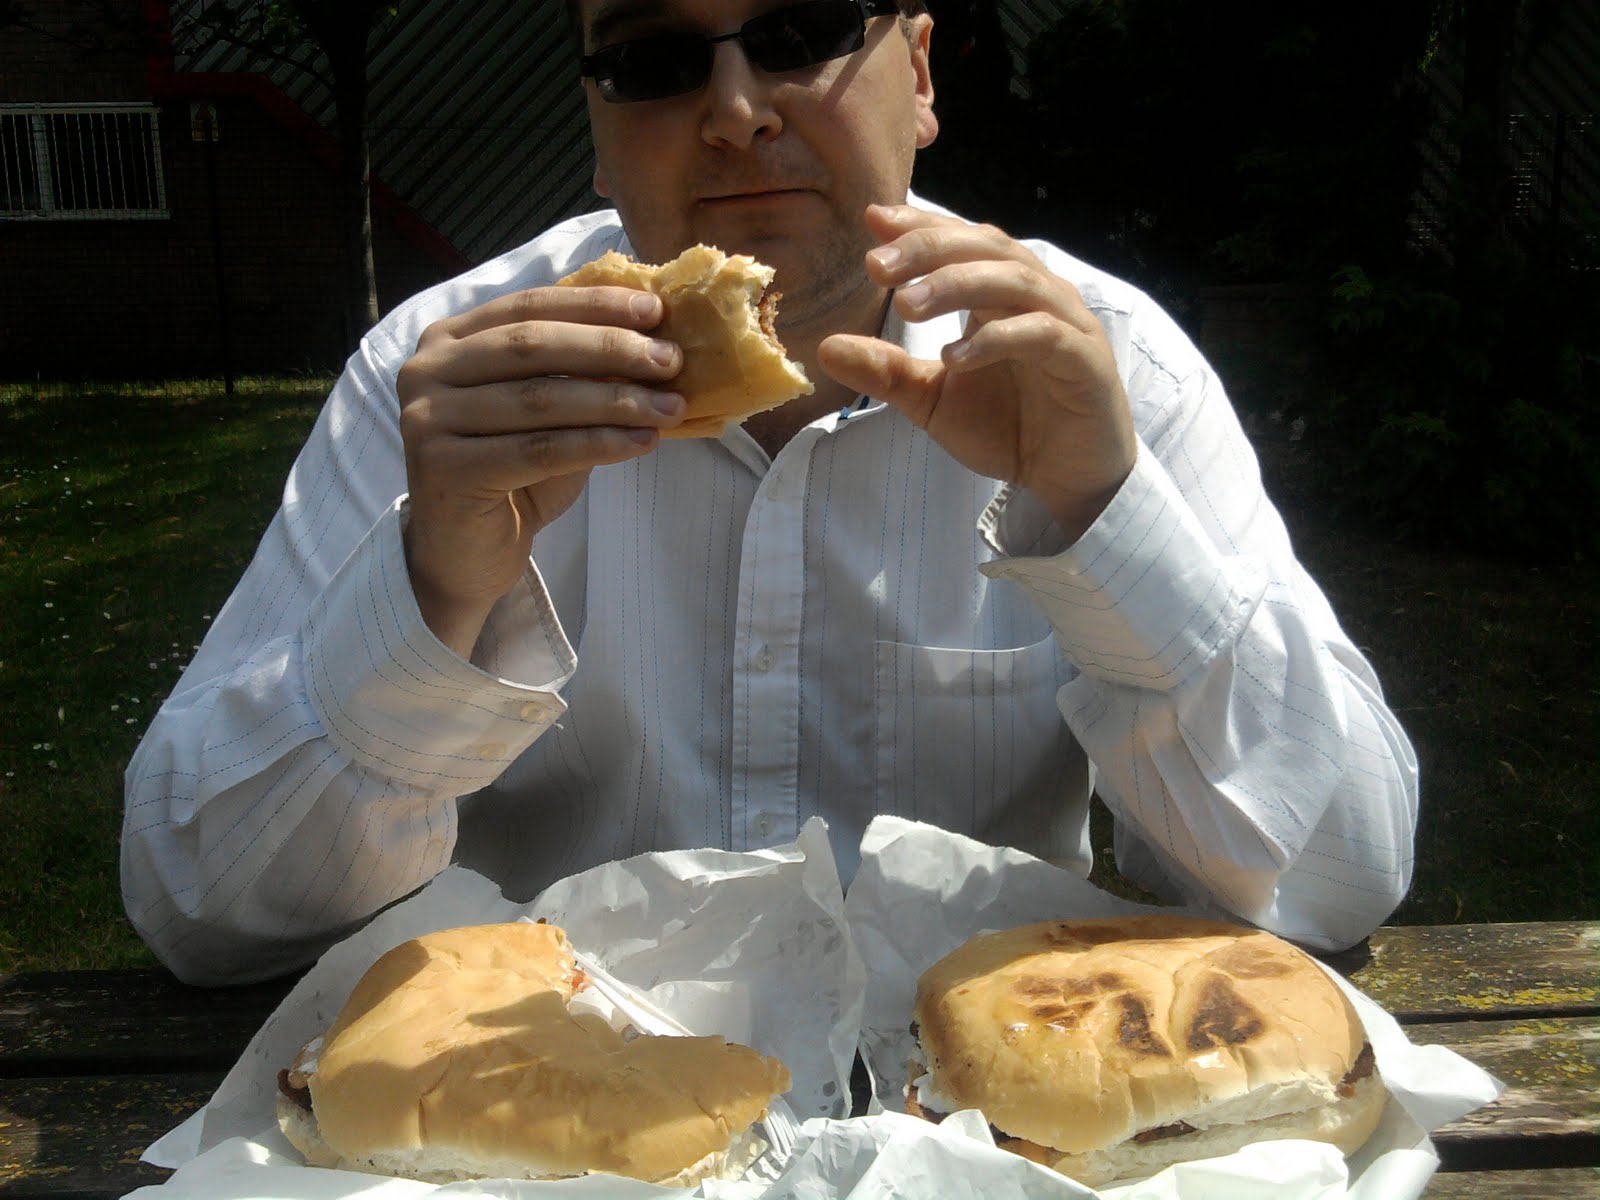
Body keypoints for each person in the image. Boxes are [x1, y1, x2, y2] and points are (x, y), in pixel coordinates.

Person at [122, 0, 1418, 986]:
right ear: (598, 129)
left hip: (972, 1111)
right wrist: (435, 590)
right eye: (653, 58)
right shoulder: (452, 381)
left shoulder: (1098, 363)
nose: (735, 108)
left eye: (798, 33)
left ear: (917, 76)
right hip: (546, 1102)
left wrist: (1103, 516)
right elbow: (204, 911)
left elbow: (1339, 876)